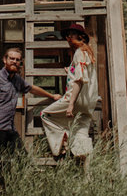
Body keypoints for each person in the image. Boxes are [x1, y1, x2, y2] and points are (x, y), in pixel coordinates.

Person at [0, 46, 59, 158]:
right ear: (5, 60)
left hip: (9, 128)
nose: (14, 62)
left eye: (17, 60)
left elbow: (32, 88)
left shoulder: (17, 79)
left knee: (22, 159)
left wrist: (51, 96)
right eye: (12, 59)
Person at [40, 23, 98, 161]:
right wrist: (70, 71)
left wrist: (71, 103)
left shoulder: (79, 53)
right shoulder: (87, 52)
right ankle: (87, 171)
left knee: (46, 115)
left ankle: (62, 143)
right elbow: (80, 74)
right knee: (81, 132)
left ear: (80, 36)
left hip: (76, 99)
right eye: (67, 35)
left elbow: (79, 80)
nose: (68, 38)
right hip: (88, 102)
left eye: (71, 35)